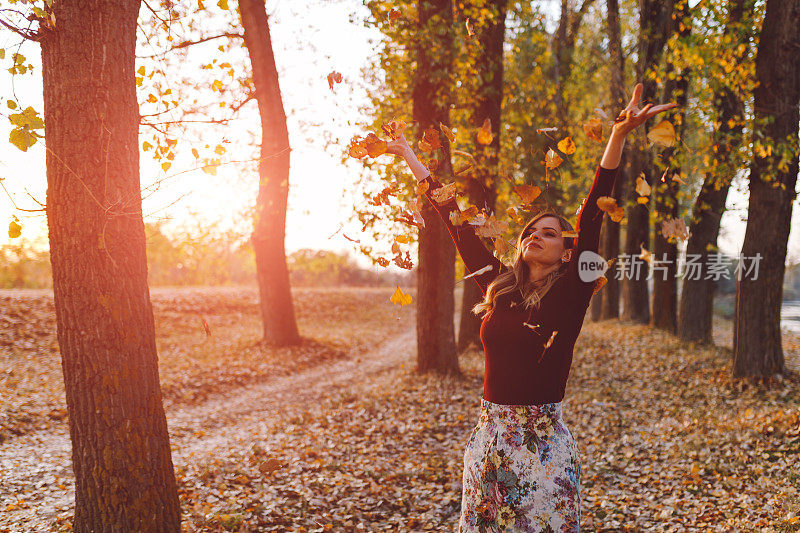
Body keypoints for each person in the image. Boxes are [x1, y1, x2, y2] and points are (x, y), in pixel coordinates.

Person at [385, 83, 676, 532]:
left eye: (549, 232)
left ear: (567, 252)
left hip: (542, 447)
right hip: (490, 438)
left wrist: (618, 134)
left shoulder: (573, 289)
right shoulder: (497, 283)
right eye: (529, 231)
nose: (534, 235)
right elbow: (452, 215)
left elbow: (591, 215)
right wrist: (408, 154)